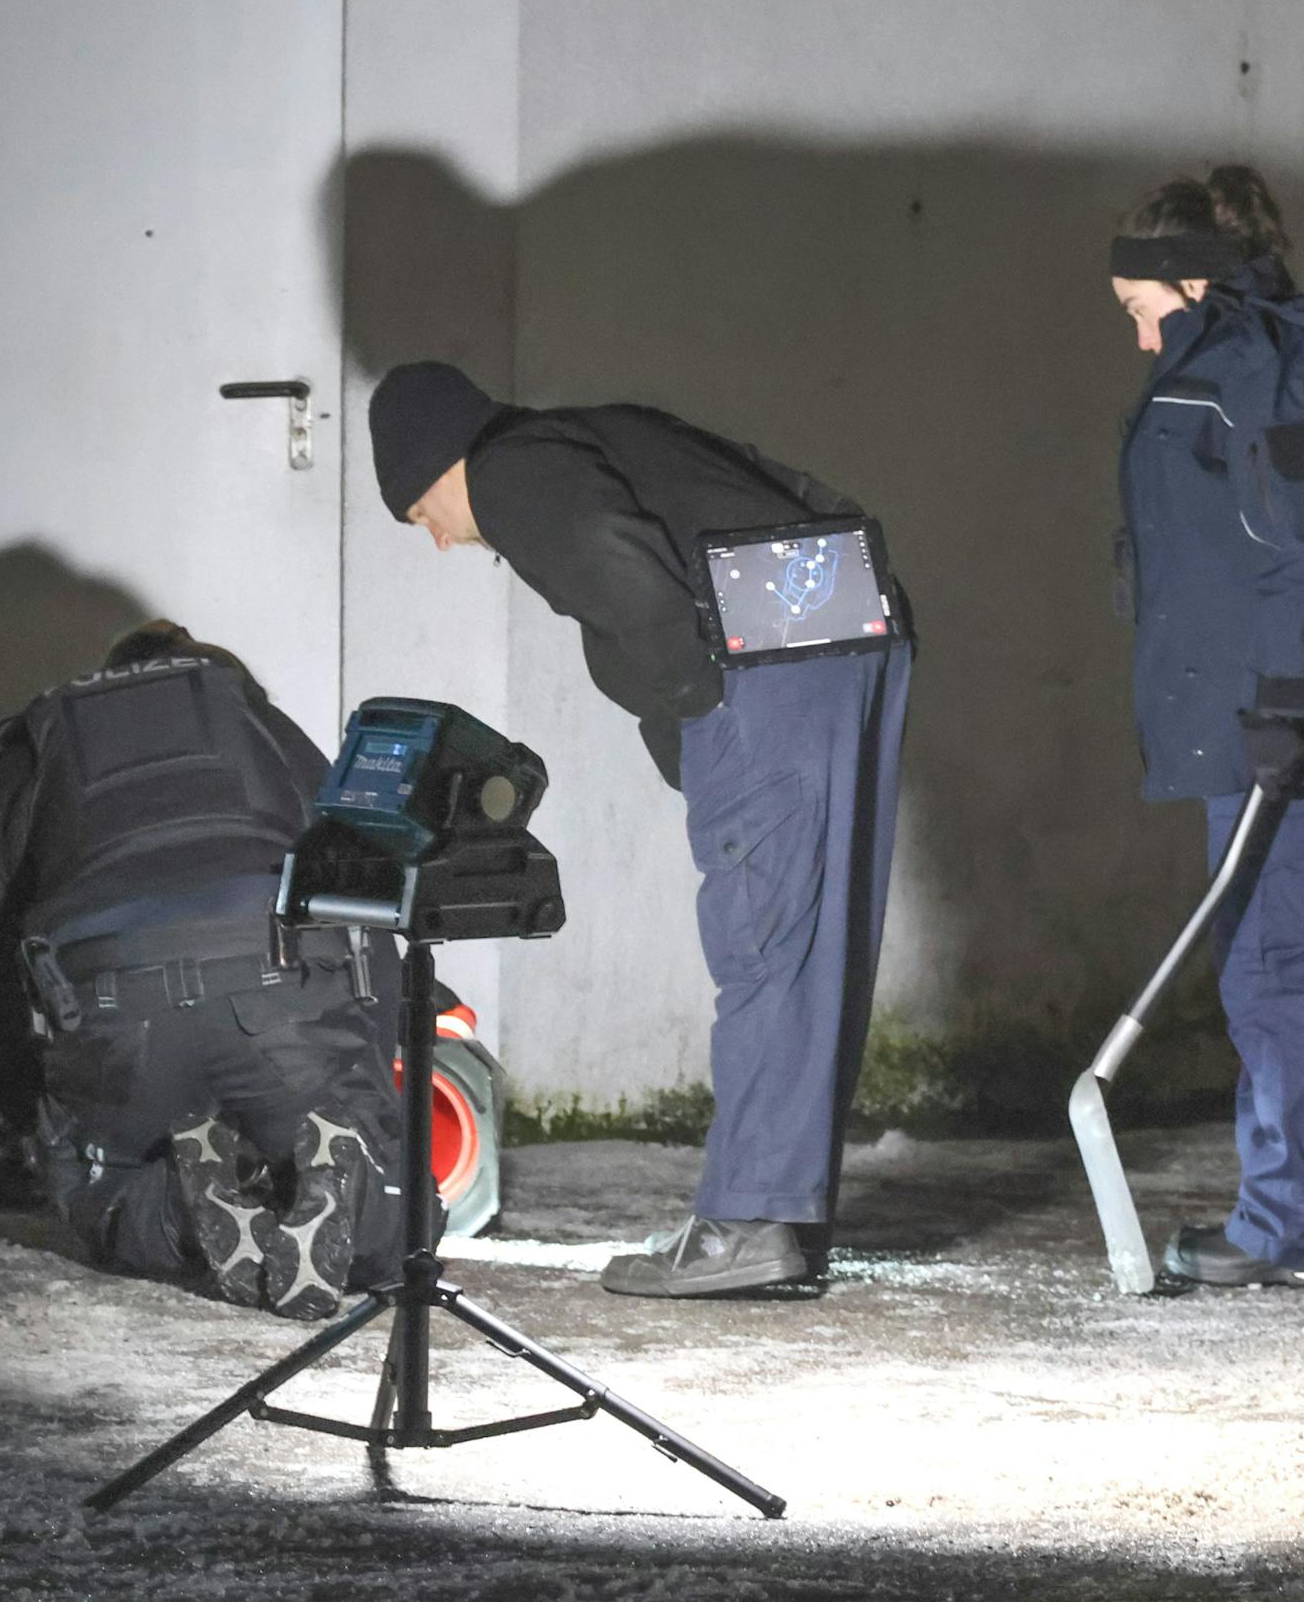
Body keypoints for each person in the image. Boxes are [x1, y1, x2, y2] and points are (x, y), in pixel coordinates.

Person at [368, 363, 911, 1296]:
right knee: (817, 943)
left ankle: (746, 1222)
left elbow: (625, 575)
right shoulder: (597, 429)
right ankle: (783, 1218)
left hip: (766, 663)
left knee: (763, 939)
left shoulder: (511, 469)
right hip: (842, 617)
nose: (440, 540)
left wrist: (699, 704)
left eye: (420, 512)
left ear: (437, 461)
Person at [0, 621, 406, 1320]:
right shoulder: (260, 726)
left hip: (113, 1008)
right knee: (394, 1220)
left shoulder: (32, 741)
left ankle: (183, 1207)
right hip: (277, 988)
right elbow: (364, 900)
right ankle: (340, 1193)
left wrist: (1, 1123)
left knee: (105, 1205)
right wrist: (370, 1079)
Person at [1110, 166, 1304, 1289]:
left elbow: (1301, 547)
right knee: (1265, 956)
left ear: (1190, 278)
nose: (1133, 334)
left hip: (1272, 722)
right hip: (1248, 715)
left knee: (1270, 959)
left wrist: (1276, 701)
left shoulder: (1248, 370)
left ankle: (1288, 1225)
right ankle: (1290, 1210)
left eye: (1136, 309)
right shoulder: (1223, 364)